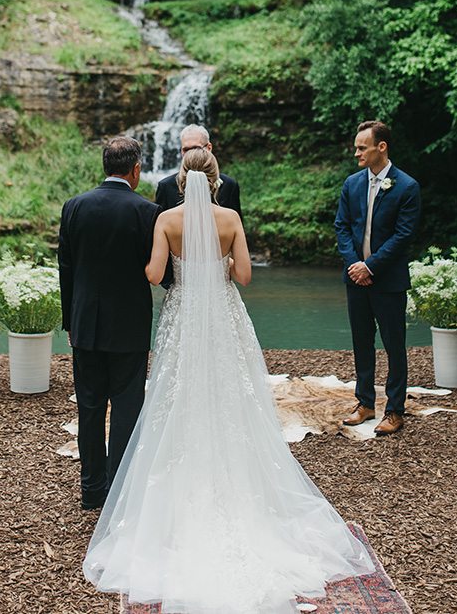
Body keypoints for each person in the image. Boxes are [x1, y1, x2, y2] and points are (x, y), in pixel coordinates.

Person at [84, 148, 374, 612]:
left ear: (180, 181)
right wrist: (215, 266)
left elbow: (155, 274)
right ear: (216, 181)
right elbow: (244, 276)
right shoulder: (231, 219)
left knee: (177, 399)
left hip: (184, 317)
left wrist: (171, 268)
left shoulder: (165, 220)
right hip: (222, 315)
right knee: (231, 399)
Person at [59, 136, 162, 511]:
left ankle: (92, 490)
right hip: (129, 327)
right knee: (125, 408)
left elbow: (65, 269)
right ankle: (119, 491)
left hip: (85, 325)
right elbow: (159, 270)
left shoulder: (74, 207)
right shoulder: (147, 212)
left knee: (89, 408)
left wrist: (70, 320)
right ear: (135, 170)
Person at [335, 121, 421, 436]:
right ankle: (365, 403)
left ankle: (395, 410)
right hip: (355, 278)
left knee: (394, 345)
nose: (356, 152)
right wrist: (355, 264)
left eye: (362, 147)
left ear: (380, 147)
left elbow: (403, 236)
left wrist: (370, 266)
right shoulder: (352, 183)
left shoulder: (407, 187)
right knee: (361, 342)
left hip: (388, 280)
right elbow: (342, 226)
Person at [154, 124, 241, 217]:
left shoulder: (229, 185)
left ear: (209, 148)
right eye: (186, 150)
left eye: (196, 148)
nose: (191, 154)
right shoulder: (165, 186)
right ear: (181, 151)